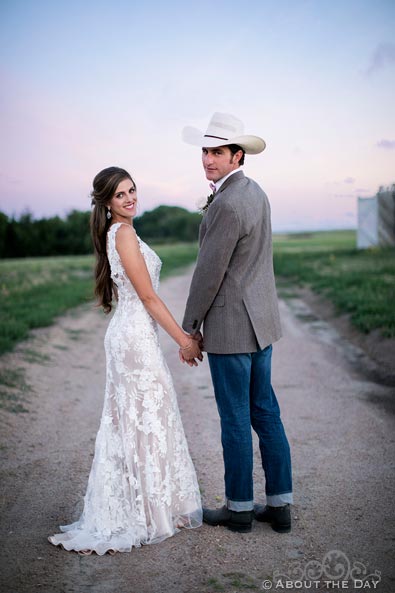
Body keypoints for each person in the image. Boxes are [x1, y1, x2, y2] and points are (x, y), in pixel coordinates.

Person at [49, 166, 202, 555]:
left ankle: (151, 508)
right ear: (107, 202)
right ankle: (144, 513)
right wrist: (184, 340)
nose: (130, 198)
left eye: (132, 190)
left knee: (138, 418)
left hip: (130, 334)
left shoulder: (116, 232)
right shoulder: (124, 233)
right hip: (133, 337)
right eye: (120, 195)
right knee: (145, 416)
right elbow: (148, 298)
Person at [182, 113, 293, 534]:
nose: (208, 159)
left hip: (232, 328)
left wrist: (191, 325)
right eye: (205, 151)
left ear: (237, 155)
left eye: (217, 152)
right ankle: (280, 505)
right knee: (266, 413)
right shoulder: (256, 193)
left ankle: (241, 509)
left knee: (236, 417)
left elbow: (209, 273)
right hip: (262, 323)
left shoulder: (226, 202)